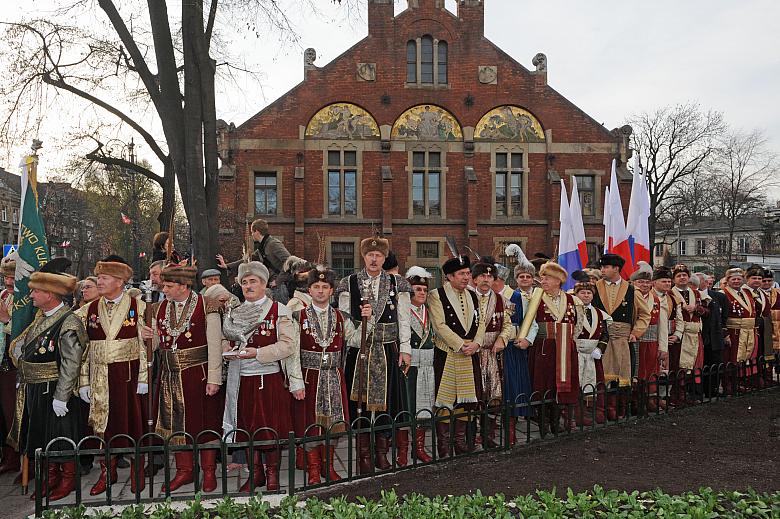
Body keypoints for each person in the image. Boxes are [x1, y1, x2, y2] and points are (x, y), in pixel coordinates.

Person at [139, 262, 225, 493]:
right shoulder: (156, 308)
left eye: (168, 285)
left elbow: (215, 345)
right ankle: (184, 471)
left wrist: (214, 378)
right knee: (173, 424)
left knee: (205, 423)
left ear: (184, 285)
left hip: (199, 373)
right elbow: (156, 345)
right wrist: (147, 336)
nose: (163, 289)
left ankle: (208, 471)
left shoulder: (209, 305)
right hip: (169, 375)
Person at [5, 259, 87, 501]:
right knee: (41, 435)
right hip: (36, 387)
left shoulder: (68, 321)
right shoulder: (41, 317)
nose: (31, 295)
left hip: (54, 389)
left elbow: (71, 362)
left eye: (36, 291)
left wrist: (61, 397)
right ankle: (50, 476)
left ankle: (67, 479)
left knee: (61, 438)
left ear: (50, 294)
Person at [221, 261, 303, 492]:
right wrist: (228, 353)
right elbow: (226, 342)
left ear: (264, 283)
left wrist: (258, 353)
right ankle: (255, 474)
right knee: (246, 428)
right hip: (240, 380)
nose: (248, 286)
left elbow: (288, 346)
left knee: (270, 428)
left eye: (253, 281)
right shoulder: (234, 313)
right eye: (244, 282)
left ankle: (272, 475)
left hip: (268, 379)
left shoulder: (279, 310)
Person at [336, 237, 412, 473]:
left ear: (384, 258)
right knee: (359, 401)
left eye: (378, 255)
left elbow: (404, 318)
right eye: (370, 255)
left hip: (388, 350)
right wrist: (356, 338)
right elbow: (344, 319)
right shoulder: (349, 283)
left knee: (386, 404)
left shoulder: (396, 283)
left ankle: (381, 452)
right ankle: (364, 456)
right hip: (360, 352)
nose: (374, 258)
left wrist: (406, 349)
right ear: (363, 257)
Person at [75, 255, 149, 495]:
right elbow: (83, 348)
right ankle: (108, 471)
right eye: (98, 278)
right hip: (99, 378)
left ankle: (138, 469)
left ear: (119, 281)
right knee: (103, 427)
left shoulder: (139, 306)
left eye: (104, 278)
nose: (99, 282)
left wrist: (143, 378)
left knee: (132, 422)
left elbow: (144, 344)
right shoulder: (88, 310)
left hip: (127, 375)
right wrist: (83, 381)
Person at [291, 266, 365, 484]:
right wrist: (296, 382)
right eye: (316, 287)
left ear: (332, 291)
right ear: (309, 290)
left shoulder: (342, 317)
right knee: (309, 423)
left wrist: (366, 321)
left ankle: (328, 466)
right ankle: (313, 469)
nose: (320, 291)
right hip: (308, 377)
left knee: (334, 423)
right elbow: (292, 353)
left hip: (333, 376)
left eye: (325, 287)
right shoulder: (297, 316)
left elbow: (354, 340)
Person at [428, 253, 484, 455]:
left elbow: (481, 322)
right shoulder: (436, 295)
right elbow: (439, 325)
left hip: (470, 355)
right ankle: (443, 445)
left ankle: (460, 441)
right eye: (461, 274)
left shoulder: (473, 295)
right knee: (445, 400)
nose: (466, 277)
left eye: (468, 273)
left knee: (467, 400)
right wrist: (461, 345)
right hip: (448, 354)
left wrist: (476, 343)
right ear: (449, 276)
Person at [591, 253, 650, 419]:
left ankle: (619, 407)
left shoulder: (631, 290)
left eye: (605, 267)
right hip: (600, 339)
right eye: (601, 267)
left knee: (623, 373)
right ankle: (603, 409)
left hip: (623, 338)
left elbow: (645, 315)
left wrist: (636, 332)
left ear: (616, 268)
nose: (602, 270)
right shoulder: (594, 287)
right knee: (600, 373)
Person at [528, 262, 583, 431]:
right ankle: (543, 421)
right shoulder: (535, 298)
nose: (543, 280)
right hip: (544, 347)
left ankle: (556, 419)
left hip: (566, 347)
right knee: (543, 383)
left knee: (563, 384)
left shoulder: (573, 300)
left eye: (547, 277)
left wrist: (569, 340)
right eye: (542, 277)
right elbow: (529, 323)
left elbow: (579, 324)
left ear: (558, 280)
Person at [471, 261, 512, 447]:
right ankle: (471, 435)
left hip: (493, 354)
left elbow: (507, 325)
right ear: (474, 279)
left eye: (489, 276)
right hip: (472, 354)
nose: (486, 279)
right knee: (474, 395)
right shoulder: (468, 298)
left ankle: (488, 435)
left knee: (494, 395)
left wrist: (502, 338)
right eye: (482, 276)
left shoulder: (502, 300)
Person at [505, 246, 537, 444]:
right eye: (521, 277)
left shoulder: (539, 295)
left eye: (528, 276)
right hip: (517, 344)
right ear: (516, 279)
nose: (525, 279)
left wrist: (529, 339)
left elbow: (534, 322)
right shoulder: (512, 296)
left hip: (536, 343)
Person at [404, 266, 436, 463]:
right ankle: (402, 452)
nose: (422, 293)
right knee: (406, 408)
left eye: (424, 290)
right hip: (410, 366)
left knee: (424, 408)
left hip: (427, 365)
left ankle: (419, 448)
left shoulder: (430, 311)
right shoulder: (403, 311)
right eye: (418, 289)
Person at [668, 264, 707, 403]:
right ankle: (676, 395)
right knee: (678, 364)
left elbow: (706, 311)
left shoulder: (696, 293)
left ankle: (688, 393)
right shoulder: (670, 293)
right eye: (679, 275)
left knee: (694, 365)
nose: (682, 278)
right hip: (680, 334)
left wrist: (696, 308)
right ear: (674, 279)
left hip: (695, 333)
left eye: (684, 275)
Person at [572, 282, 610, 423]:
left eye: (589, 293)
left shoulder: (599, 313)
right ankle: (579, 413)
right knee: (577, 382)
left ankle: (596, 411)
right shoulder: (572, 311)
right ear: (576, 295)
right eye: (582, 292)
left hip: (594, 354)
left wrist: (600, 348)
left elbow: (605, 334)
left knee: (597, 381)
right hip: (577, 353)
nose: (586, 295)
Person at [217, 219, 291, 284]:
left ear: (257, 232)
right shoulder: (263, 247)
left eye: (252, 232)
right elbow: (246, 260)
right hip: (273, 283)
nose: (252, 235)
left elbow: (290, 262)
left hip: (281, 285)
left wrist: (278, 281)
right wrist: (227, 266)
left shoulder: (273, 244)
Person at [720, 268, 757, 392]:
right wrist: (725, 334)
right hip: (733, 331)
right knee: (730, 358)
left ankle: (740, 382)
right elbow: (721, 317)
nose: (736, 281)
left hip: (747, 331)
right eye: (733, 279)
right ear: (727, 280)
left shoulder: (747, 293)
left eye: (739, 279)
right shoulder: (723, 293)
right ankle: (728, 385)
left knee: (743, 358)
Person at [0, 255, 19, 476]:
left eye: (13, 276)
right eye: (6, 276)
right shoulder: (2, 296)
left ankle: (20, 457)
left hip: (15, 366)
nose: (9, 281)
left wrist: (6, 320)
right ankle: (7, 455)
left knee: (13, 413)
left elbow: (27, 333)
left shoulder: (26, 301)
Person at [697, 273, 728, 396]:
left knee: (715, 363)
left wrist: (724, 333)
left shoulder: (719, 297)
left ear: (705, 282)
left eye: (698, 281)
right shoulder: (691, 295)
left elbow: (724, 317)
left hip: (715, 335)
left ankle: (712, 389)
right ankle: (697, 390)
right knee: (699, 364)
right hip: (699, 335)